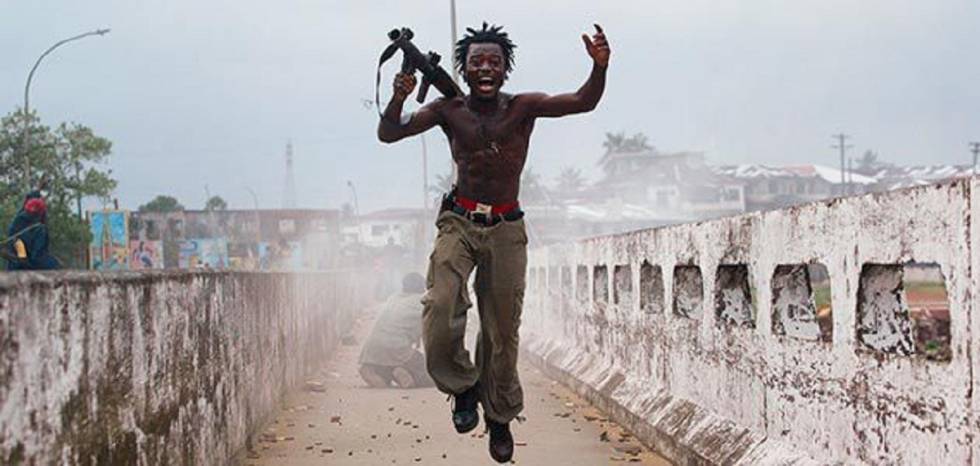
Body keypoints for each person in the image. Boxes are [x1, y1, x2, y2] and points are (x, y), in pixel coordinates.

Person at [377, 22, 610, 463]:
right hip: (459, 222)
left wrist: (599, 67)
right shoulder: (448, 110)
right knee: (440, 304)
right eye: (477, 61)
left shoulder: (524, 108)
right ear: (464, 69)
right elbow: (389, 132)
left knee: (502, 329)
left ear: (505, 70)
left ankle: (499, 414)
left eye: (494, 62)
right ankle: (464, 387)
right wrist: (399, 98)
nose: (485, 68)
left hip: (507, 227)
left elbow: (583, 101)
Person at [358, 272, 434, 389]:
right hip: (397, 348)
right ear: (422, 287)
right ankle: (401, 371)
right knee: (430, 376)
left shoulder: (393, 297)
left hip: (371, 349)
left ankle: (376, 370)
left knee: (387, 361)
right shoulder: (423, 303)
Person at [5, 190, 59, 271]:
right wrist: (55, 264)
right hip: (27, 270)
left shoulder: (17, 221)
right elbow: (38, 257)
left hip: (13, 268)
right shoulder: (39, 229)